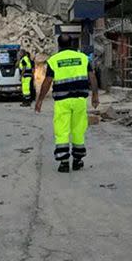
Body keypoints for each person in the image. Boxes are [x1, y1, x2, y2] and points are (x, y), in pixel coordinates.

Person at [35, 35, 99, 173]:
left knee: (62, 130)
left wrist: (40, 100)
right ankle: (77, 160)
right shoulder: (83, 58)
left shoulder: (54, 60)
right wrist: (95, 95)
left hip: (62, 101)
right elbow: (92, 76)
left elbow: (48, 81)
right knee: (78, 130)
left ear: (59, 45)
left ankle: (64, 162)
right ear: (72, 44)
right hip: (79, 101)